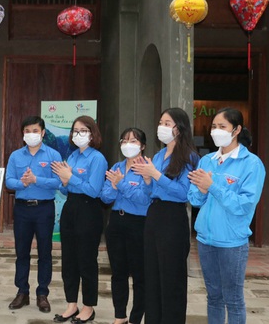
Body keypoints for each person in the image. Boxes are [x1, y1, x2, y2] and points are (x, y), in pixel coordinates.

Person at [188, 107, 266, 324]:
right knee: (213, 297)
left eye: (222, 126)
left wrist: (212, 186)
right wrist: (201, 190)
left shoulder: (251, 164)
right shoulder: (207, 161)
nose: (216, 131)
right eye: (213, 126)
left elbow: (244, 205)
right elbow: (194, 200)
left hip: (232, 242)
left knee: (232, 299)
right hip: (205, 239)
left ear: (236, 130)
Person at [131, 107, 198, 324]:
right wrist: (149, 179)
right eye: (161, 122)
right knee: (152, 275)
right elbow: (151, 193)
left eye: (168, 123)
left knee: (171, 278)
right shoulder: (159, 155)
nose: (162, 127)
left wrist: (156, 175)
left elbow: (183, 193)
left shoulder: (189, 157)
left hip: (173, 218)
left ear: (180, 128)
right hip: (154, 216)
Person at [51, 115, 107, 323]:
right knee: (69, 261)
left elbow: (94, 190)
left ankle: (88, 307)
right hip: (71, 208)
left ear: (92, 133)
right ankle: (71, 304)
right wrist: (66, 180)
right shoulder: (72, 156)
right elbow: (63, 187)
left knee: (86, 261)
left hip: (88, 211)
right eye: (75, 130)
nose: (78, 134)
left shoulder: (97, 158)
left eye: (83, 130)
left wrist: (71, 177)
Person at [5, 115, 62, 314]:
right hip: (22, 209)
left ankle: (42, 293)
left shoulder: (53, 155)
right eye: (27, 131)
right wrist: (23, 183)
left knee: (44, 253)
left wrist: (37, 180)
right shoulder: (15, 156)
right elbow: (9, 181)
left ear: (43, 133)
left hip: (44, 209)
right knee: (22, 252)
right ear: (23, 134)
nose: (31, 135)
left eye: (35, 131)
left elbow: (59, 182)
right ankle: (22, 291)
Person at [100, 128, 150, 324]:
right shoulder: (116, 166)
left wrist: (120, 184)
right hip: (116, 223)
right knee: (118, 273)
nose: (128, 144)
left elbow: (144, 200)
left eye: (134, 141)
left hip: (139, 224)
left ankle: (135, 319)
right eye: (125, 140)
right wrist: (113, 186)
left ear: (143, 146)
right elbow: (105, 197)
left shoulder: (147, 168)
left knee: (140, 276)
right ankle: (119, 315)